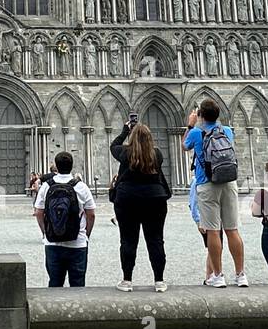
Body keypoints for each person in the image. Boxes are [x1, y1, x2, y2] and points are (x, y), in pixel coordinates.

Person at [183, 99, 246, 287]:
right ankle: (241, 274)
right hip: (228, 183)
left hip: (207, 185)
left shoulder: (195, 133)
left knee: (213, 231)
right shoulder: (227, 131)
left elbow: (184, 146)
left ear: (201, 115)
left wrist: (190, 123)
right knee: (232, 229)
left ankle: (218, 276)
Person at [110, 118, 171, 292]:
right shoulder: (157, 154)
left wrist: (125, 131)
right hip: (155, 199)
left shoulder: (125, 153)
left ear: (133, 137)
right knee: (156, 240)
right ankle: (159, 281)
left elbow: (113, 145)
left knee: (128, 240)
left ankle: (127, 280)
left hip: (127, 199)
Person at [33, 151, 96, 287]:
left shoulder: (46, 186)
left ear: (56, 166)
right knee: (78, 284)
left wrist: (46, 232)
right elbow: (91, 214)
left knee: (55, 284)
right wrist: (86, 234)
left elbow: (38, 212)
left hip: (53, 243)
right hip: (77, 242)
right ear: (72, 166)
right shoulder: (81, 186)